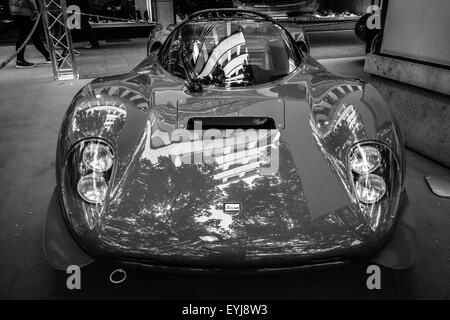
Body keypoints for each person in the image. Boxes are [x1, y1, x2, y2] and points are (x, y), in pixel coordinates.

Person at [9, 0, 50, 68]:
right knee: (25, 35)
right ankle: (20, 60)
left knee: (33, 34)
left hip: (17, 8)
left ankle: (47, 56)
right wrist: (34, 10)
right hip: (25, 10)